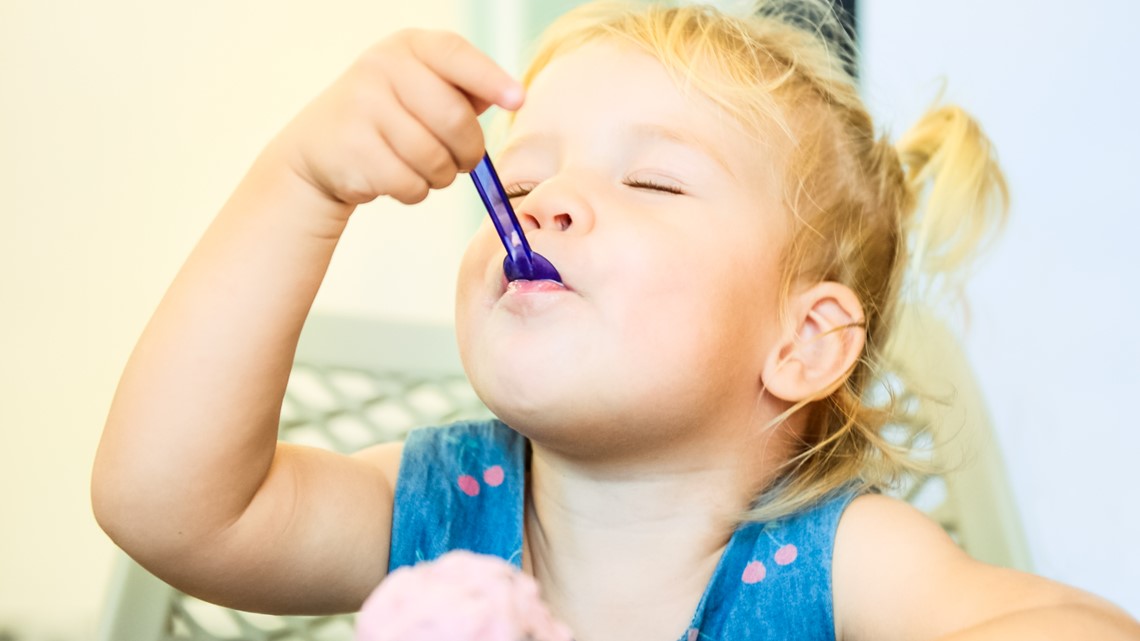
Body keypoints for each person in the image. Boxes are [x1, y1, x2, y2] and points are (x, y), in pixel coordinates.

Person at [91, 1, 1140, 640]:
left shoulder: (836, 558)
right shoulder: (437, 506)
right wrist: (304, 181)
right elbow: (167, 508)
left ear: (804, 341)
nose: (546, 201)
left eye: (651, 181)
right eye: (529, 170)